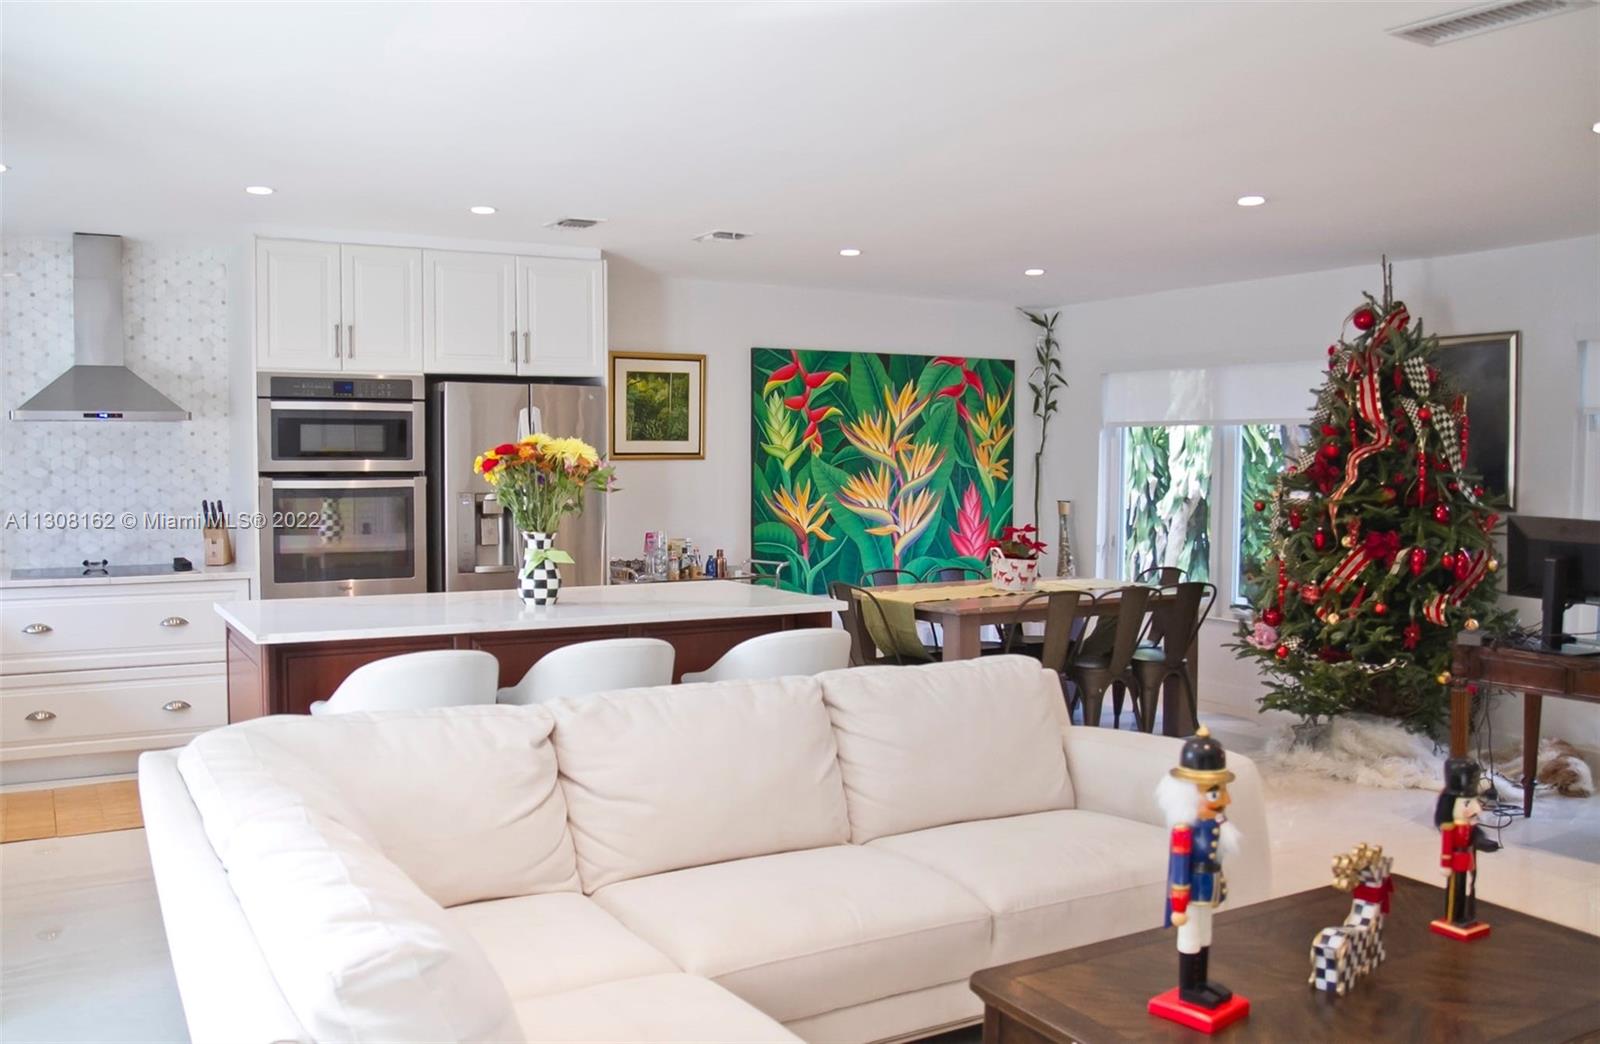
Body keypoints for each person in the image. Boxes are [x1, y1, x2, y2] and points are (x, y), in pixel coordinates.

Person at [1156, 726, 1240, 1009]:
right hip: (1192, 893)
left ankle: (1201, 981)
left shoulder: (1215, 824)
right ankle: (1189, 987)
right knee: (1191, 936)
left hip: (1209, 889)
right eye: (1215, 794)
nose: (1225, 800)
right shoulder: (1184, 831)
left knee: (1205, 935)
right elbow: (1179, 871)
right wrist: (1178, 906)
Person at [1432, 757, 1499, 937]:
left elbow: (1473, 833)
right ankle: (1453, 916)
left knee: (1466, 888)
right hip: (1455, 859)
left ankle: (1464, 915)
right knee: (1455, 889)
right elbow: (1447, 845)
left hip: (1466, 858)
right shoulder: (1450, 826)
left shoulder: (1469, 823)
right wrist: (1445, 864)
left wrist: (1478, 842)